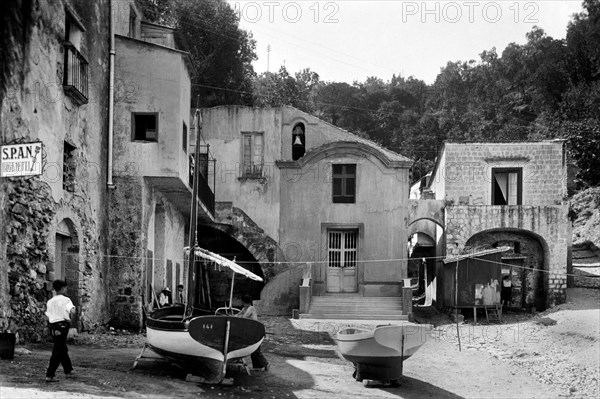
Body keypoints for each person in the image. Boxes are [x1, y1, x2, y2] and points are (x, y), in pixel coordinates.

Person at [45, 279, 76, 382]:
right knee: (58, 350)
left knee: (61, 347)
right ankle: (50, 374)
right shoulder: (66, 300)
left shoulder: (50, 301)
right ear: (63, 289)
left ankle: (68, 371)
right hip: (62, 325)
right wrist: (71, 319)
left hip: (52, 325)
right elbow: (72, 310)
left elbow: (47, 315)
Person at [236, 295, 269, 371]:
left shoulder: (251, 308)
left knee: (256, 351)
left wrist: (237, 316)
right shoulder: (245, 308)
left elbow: (244, 317)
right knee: (254, 351)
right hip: (251, 331)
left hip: (255, 331)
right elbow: (238, 314)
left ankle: (266, 364)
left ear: (244, 302)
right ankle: (258, 367)